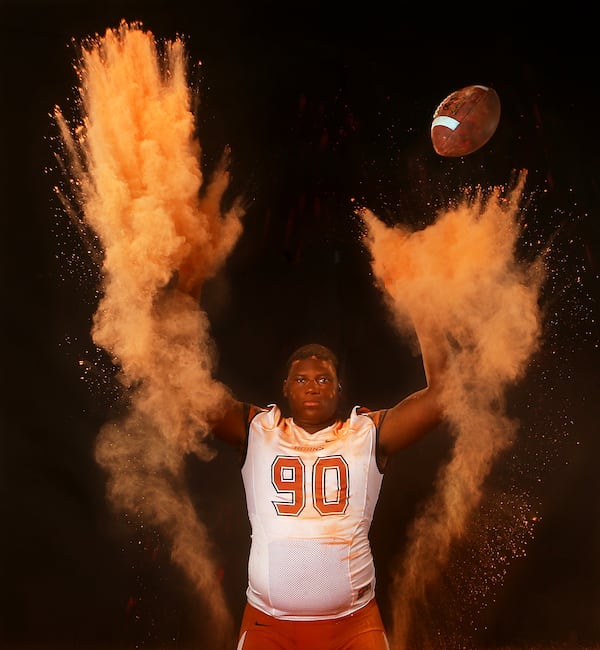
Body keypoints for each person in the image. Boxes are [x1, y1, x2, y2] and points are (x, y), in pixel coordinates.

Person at [206, 316, 447, 650]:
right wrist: (189, 288)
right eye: (301, 379)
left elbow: (445, 395)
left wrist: (425, 303)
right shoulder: (257, 429)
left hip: (354, 624)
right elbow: (186, 389)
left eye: (323, 378)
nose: (313, 385)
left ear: (338, 389)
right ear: (286, 388)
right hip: (268, 624)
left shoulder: (366, 432)